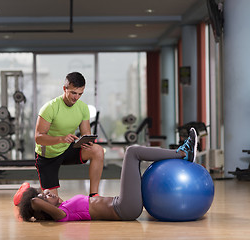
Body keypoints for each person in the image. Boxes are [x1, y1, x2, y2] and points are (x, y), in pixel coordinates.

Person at [18, 128, 198, 222]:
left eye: (44, 193)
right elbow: (35, 202)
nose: (47, 193)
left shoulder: (65, 205)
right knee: (132, 152)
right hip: (124, 208)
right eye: (44, 197)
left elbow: (39, 201)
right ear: (43, 210)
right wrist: (33, 200)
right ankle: (182, 153)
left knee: (135, 157)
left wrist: (36, 198)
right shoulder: (63, 214)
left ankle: (180, 153)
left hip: (123, 204)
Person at [34, 72, 104, 197]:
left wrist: (88, 141)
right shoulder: (50, 108)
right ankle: (25, 193)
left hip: (67, 149)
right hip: (48, 155)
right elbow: (38, 138)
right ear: (64, 89)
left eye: (80, 94)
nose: (76, 97)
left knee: (97, 151)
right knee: (53, 204)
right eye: (73, 93)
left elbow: (85, 133)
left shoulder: (83, 108)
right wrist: (61, 139)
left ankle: (93, 195)